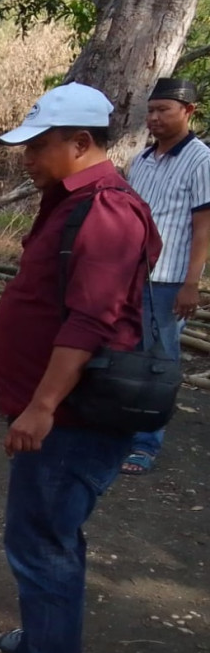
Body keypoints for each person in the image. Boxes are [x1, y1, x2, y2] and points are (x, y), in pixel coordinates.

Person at [0, 83, 162, 653]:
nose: (28, 158)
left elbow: (88, 322)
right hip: (56, 410)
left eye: (40, 147)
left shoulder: (106, 212)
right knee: (50, 536)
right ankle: (47, 638)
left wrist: (41, 407)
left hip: (72, 418)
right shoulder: (68, 201)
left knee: (41, 542)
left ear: (81, 142)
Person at [121, 77, 210, 474]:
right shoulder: (141, 160)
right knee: (124, 355)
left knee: (158, 361)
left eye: (164, 111)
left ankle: (145, 443)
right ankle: (118, 429)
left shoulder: (201, 161)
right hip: (129, 276)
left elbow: (204, 227)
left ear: (188, 111)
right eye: (151, 111)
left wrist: (192, 283)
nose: (154, 118)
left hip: (169, 280)